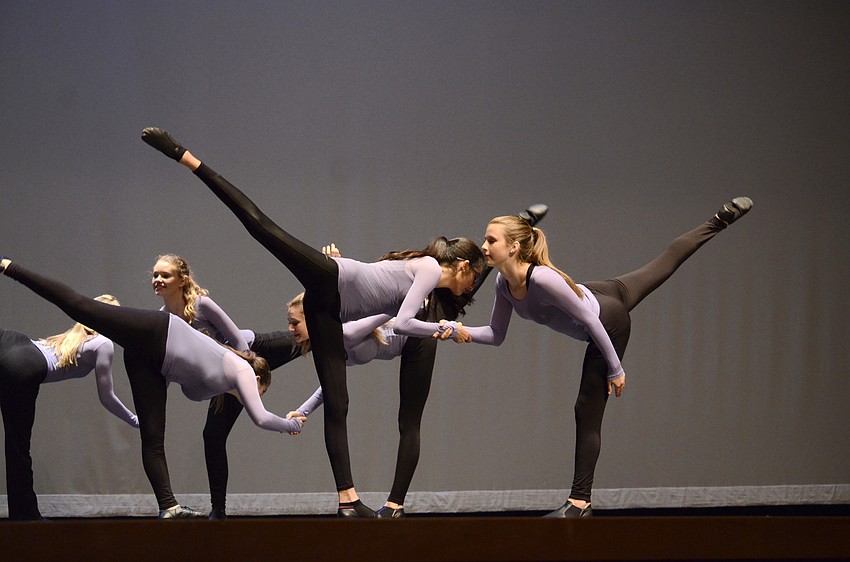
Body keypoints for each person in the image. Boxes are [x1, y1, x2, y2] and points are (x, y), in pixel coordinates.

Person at [142, 126, 485, 517]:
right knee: (261, 226)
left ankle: (348, 501)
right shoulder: (427, 267)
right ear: (461, 266)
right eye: (474, 276)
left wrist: (457, 307)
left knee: (337, 402)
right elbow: (404, 320)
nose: (471, 289)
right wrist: (446, 329)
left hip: (329, 312)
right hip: (330, 280)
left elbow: (382, 292)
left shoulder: (433, 287)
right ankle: (183, 155)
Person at [449, 197, 754, 517]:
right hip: (599, 291)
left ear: (513, 248)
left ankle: (580, 503)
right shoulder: (503, 284)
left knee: (586, 408)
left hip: (608, 321)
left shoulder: (542, 279)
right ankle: (720, 220)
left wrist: (616, 369)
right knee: (662, 263)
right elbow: (496, 335)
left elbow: (592, 322)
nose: (483, 246)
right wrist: (460, 331)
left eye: (491, 240)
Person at [0, 258, 304, 519]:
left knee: (153, 435)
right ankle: (8, 265)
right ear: (258, 379)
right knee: (81, 306)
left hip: (152, 364)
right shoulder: (241, 369)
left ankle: (168, 506)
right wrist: (292, 423)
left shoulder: (219, 388)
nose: (257, 393)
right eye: (262, 388)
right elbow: (262, 418)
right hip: (158, 335)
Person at [150, 253, 303, 519]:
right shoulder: (163, 319)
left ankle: (356, 329)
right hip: (227, 373)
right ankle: (218, 510)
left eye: (165, 275)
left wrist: (242, 377)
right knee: (212, 435)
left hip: (251, 350)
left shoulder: (201, 305)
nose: (158, 280)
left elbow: (238, 342)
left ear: (182, 280)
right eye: (155, 275)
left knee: (306, 340)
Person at [0, 295, 138, 521]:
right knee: (17, 447)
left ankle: (24, 513)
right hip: (24, 365)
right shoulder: (104, 343)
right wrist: (134, 419)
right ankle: (24, 514)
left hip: (13, 341)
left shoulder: (73, 335)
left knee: (17, 446)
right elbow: (107, 397)